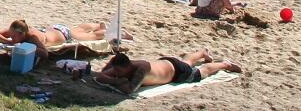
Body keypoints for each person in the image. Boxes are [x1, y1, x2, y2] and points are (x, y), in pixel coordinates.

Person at [95, 51, 241, 94]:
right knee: (186, 62)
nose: (116, 73)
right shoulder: (120, 64)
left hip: (177, 72)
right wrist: (115, 79)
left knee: (201, 72)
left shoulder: (141, 69)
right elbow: (100, 75)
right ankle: (202, 53)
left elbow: (129, 90)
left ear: (128, 66)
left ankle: (225, 64)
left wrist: (114, 81)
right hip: (165, 63)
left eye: (118, 71)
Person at [0, 20, 128, 53]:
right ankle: (98, 24)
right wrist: (7, 40)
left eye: (14, 36)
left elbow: (44, 53)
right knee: (78, 30)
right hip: (54, 29)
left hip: (63, 34)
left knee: (92, 37)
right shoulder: (16, 30)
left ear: (22, 34)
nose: (12, 37)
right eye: (11, 35)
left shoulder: (32, 37)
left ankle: (116, 32)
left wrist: (22, 47)